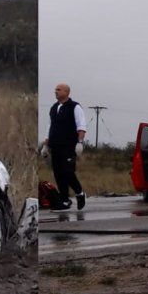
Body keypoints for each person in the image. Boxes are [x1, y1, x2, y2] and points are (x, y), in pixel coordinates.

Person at [41, 83, 86, 211]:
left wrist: (80, 142)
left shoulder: (75, 107)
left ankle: (79, 192)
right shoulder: (54, 108)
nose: (55, 92)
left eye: (58, 90)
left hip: (69, 146)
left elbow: (81, 126)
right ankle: (65, 200)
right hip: (55, 146)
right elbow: (49, 127)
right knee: (58, 174)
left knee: (68, 172)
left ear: (66, 92)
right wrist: (45, 146)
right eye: (55, 90)